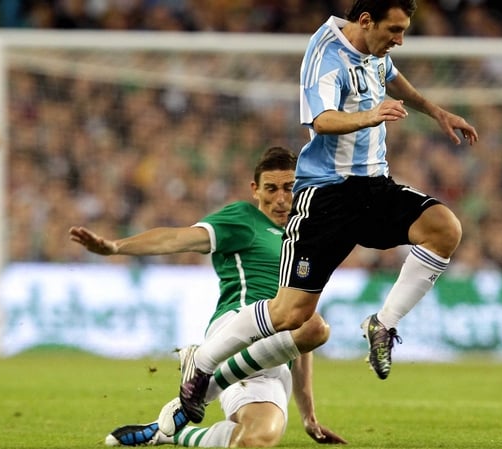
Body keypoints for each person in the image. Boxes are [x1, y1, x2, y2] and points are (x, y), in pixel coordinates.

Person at [173, 0, 479, 430]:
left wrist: (437, 112)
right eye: (394, 30)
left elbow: (393, 79)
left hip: (374, 185)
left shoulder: (376, 51)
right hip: (327, 197)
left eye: (403, 31)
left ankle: (382, 326)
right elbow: (320, 120)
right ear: (366, 21)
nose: (399, 40)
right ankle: (201, 362)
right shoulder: (325, 55)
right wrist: (371, 115)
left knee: (445, 228)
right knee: (289, 316)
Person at [69, 146, 346, 447]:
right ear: (255, 190)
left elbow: (300, 344)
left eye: (289, 188)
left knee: (254, 441)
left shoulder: (304, 240)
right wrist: (116, 247)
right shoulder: (243, 219)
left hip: (272, 363)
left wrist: (309, 416)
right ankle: (202, 366)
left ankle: (174, 430)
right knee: (316, 326)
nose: (280, 198)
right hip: (236, 337)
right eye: (271, 189)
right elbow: (177, 238)